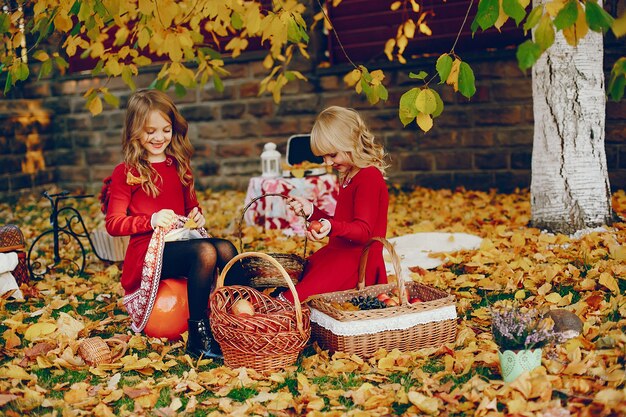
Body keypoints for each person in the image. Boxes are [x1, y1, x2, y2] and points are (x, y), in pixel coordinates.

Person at [105, 89, 240, 359]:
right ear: (135, 131)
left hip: (180, 241)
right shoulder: (127, 172)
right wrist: (150, 220)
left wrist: (198, 215)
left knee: (225, 248)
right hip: (147, 254)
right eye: (150, 131)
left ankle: (237, 320)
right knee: (205, 252)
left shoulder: (179, 165)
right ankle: (198, 335)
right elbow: (113, 223)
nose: (159, 138)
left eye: (165, 130)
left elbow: (191, 207)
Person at [282, 106, 389, 303]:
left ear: (351, 143)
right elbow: (343, 223)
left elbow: (364, 231)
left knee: (295, 299)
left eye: (332, 155)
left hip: (357, 262)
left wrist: (330, 226)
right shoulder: (349, 174)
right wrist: (312, 211)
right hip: (338, 253)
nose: (327, 162)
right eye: (323, 157)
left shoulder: (369, 176)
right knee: (294, 280)